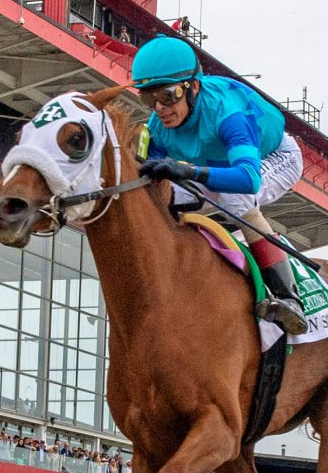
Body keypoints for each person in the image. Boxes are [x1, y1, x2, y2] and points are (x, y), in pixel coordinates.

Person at [131, 35, 308, 334]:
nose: (160, 108)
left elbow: (248, 179)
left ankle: (289, 298)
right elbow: (150, 183)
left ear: (193, 87)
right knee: (165, 196)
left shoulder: (229, 114)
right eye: (149, 98)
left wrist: (189, 171)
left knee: (235, 198)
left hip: (274, 157)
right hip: (217, 165)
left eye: (169, 95)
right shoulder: (156, 128)